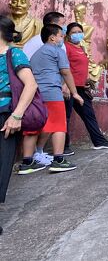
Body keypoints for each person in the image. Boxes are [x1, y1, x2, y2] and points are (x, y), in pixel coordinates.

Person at [20, 24, 83, 173]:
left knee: (33, 127)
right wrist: (74, 93)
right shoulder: (57, 50)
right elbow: (66, 73)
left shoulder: (36, 55)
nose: (63, 38)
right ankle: (58, 160)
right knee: (59, 126)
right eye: (61, 36)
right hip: (53, 94)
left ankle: (27, 162)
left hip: (35, 95)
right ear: (52, 37)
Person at [0, 17, 37, 232]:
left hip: (5, 114)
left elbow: (30, 84)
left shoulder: (14, 54)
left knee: (2, 164)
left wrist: (16, 115)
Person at [63, 23, 108, 150]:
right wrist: (64, 84)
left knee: (89, 114)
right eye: (74, 32)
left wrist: (86, 79)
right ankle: (64, 147)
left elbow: (82, 66)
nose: (77, 34)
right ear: (68, 35)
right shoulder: (65, 48)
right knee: (66, 117)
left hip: (81, 88)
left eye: (79, 31)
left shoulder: (81, 48)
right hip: (69, 88)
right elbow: (63, 67)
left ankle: (99, 141)